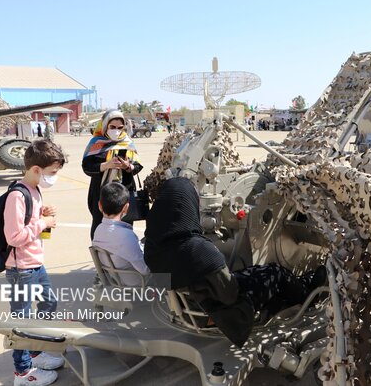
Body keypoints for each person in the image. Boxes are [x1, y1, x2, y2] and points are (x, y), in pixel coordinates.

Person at [143, 177, 326, 347]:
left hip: (190, 306)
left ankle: (296, 288)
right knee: (274, 273)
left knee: (256, 271)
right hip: (215, 312)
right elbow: (230, 293)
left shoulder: (154, 249)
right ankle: (308, 293)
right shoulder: (199, 252)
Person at [4, 139, 66, 386]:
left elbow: (29, 225)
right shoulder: (17, 196)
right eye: (52, 173)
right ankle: (22, 372)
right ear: (36, 169)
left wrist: (41, 215)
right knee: (22, 320)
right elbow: (14, 236)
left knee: (49, 303)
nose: (54, 178)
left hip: (35, 264)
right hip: (22, 270)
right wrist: (42, 224)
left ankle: (35, 351)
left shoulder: (34, 190)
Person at [82, 110, 143, 239]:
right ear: (105, 126)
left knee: (125, 227)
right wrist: (106, 165)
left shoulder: (128, 143)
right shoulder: (96, 143)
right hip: (101, 193)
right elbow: (86, 167)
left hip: (124, 192)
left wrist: (128, 166)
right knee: (100, 226)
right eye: (112, 127)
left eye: (120, 128)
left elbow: (137, 166)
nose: (116, 130)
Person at [92, 182, 150, 286]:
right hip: (138, 283)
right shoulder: (126, 236)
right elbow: (145, 270)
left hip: (116, 279)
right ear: (126, 207)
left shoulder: (98, 230)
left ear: (100, 205)